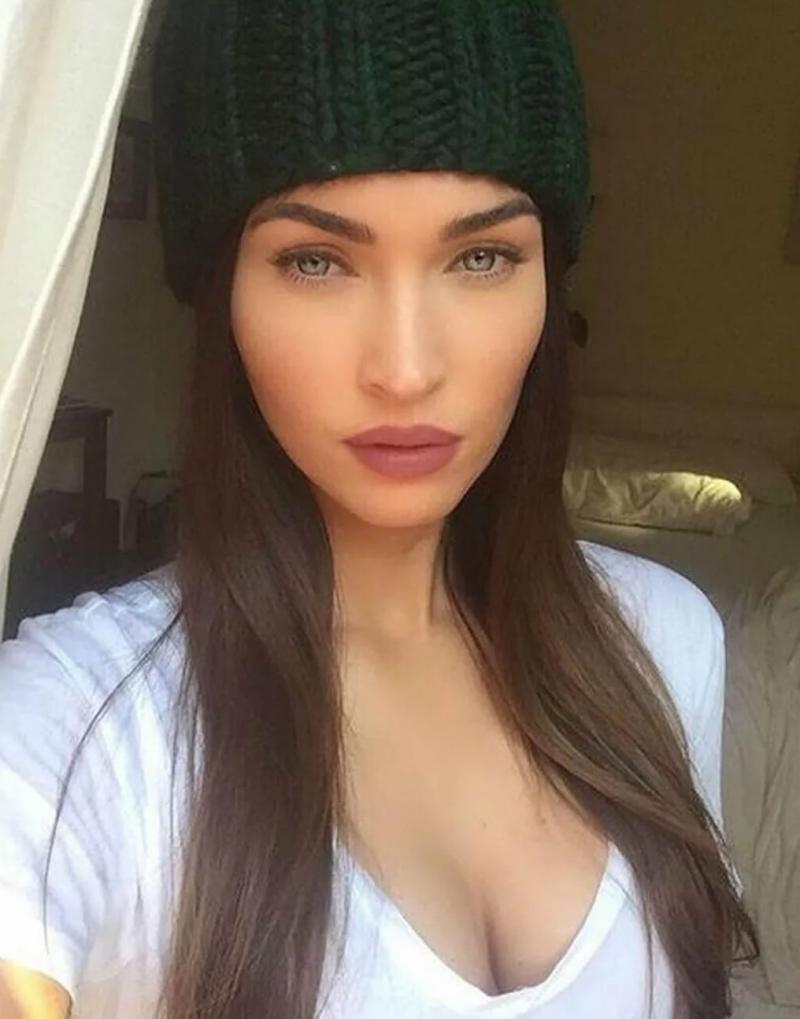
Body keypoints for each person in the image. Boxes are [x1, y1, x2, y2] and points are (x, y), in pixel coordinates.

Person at [0, 1, 759, 1017]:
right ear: (222, 293)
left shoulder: (659, 638)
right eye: (315, 260)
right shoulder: (74, 725)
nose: (405, 369)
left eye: (481, 257)